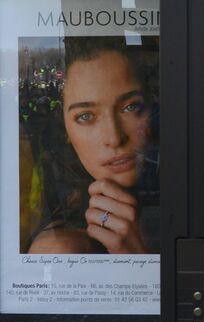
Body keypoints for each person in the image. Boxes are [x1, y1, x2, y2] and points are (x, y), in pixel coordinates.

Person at [28, 36, 159, 254]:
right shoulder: (61, 248)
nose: (115, 138)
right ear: (66, 131)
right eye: (86, 116)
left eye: (130, 107)